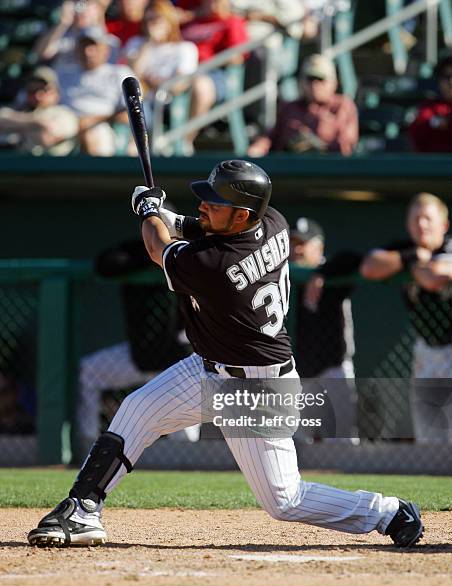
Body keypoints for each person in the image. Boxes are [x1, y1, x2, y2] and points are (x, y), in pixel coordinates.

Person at [28, 159, 423, 549]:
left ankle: (386, 512)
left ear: (241, 215)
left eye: (215, 202)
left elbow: (156, 245)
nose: (203, 205)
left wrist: (150, 211)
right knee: (137, 410)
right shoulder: (274, 222)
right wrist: (166, 211)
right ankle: (82, 509)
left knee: (285, 500)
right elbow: (198, 225)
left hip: (256, 390)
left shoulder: (215, 266)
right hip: (208, 366)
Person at [77, 238, 198, 457]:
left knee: (185, 436)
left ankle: (186, 461)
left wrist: (163, 255)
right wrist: (150, 255)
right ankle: (89, 446)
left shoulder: (186, 250)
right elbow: (105, 265)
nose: (157, 231)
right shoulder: (135, 249)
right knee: (87, 371)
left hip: (177, 361)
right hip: (137, 354)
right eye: (152, 225)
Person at [360, 192, 452, 442]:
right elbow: (370, 266)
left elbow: (434, 279)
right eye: (415, 219)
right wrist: (410, 258)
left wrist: (414, 266)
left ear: (443, 224)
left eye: (427, 219)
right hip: (427, 349)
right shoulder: (407, 250)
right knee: (429, 434)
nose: (421, 225)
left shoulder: (449, 245)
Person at [290, 217, 360, 440]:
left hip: (335, 367)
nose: (297, 249)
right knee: (297, 440)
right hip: (301, 371)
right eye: (293, 243)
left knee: (342, 439)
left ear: (319, 247)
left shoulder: (333, 271)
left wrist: (322, 274)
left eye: (303, 243)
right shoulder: (287, 274)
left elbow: (355, 259)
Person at [248, 53, 359, 156]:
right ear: (301, 81)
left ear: (334, 82)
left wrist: (317, 145)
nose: (314, 85)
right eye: (310, 79)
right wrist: (256, 151)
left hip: (330, 171)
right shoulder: (289, 108)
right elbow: (270, 139)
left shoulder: (343, 106)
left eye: (320, 79)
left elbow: (346, 146)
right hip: (290, 169)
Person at [181, 0, 249, 148]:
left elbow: (237, 57)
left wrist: (206, 63)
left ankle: (184, 142)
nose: (212, 4)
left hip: (216, 73)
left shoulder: (231, 22)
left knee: (201, 87)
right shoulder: (191, 23)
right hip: (183, 72)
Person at [58, 26, 136, 155]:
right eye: (83, 46)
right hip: (64, 126)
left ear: (106, 50)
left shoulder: (119, 74)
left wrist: (91, 121)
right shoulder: (62, 73)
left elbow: (133, 115)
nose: (88, 52)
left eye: (94, 46)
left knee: (93, 134)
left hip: (104, 127)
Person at [123, 3, 198, 116]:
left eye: (156, 19)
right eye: (147, 20)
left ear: (169, 21)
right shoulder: (136, 43)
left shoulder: (185, 48)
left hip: (167, 104)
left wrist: (151, 82)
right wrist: (149, 43)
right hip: (137, 101)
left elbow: (179, 85)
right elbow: (130, 75)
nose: (150, 25)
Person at [0, 67, 79, 156]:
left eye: (44, 90)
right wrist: (37, 123)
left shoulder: (65, 114)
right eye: (32, 91)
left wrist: (17, 126)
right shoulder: (16, 110)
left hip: (54, 166)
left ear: (56, 93)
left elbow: (48, 135)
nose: (38, 95)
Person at [32, 0, 115, 77]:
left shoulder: (107, 39)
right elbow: (42, 53)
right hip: (65, 86)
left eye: (86, 3)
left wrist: (99, 13)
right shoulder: (63, 37)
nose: (81, 9)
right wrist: (63, 23)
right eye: (76, 3)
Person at [409, 55, 452, 153]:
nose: (451, 82)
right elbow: (417, 133)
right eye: (447, 77)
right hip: (435, 166)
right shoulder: (430, 108)